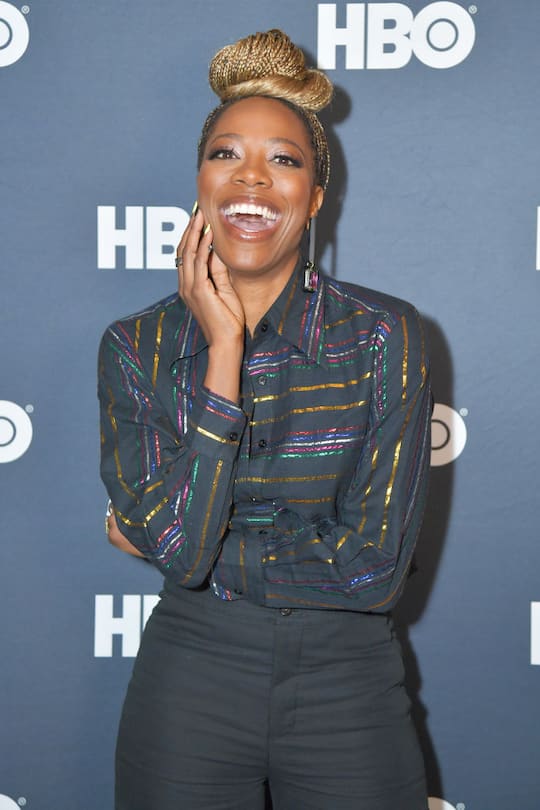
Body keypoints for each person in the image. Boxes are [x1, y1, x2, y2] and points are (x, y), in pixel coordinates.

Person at [98, 29, 432, 810]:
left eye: (285, 159)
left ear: (316, 196)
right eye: (226, 154)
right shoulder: (136, 346)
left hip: (348, 685)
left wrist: (202, 543)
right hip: (190, 680)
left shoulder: (385, 336)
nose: (252, 176)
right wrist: (222, 349)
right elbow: (181, 557)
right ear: (200, 182)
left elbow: (374, 569)